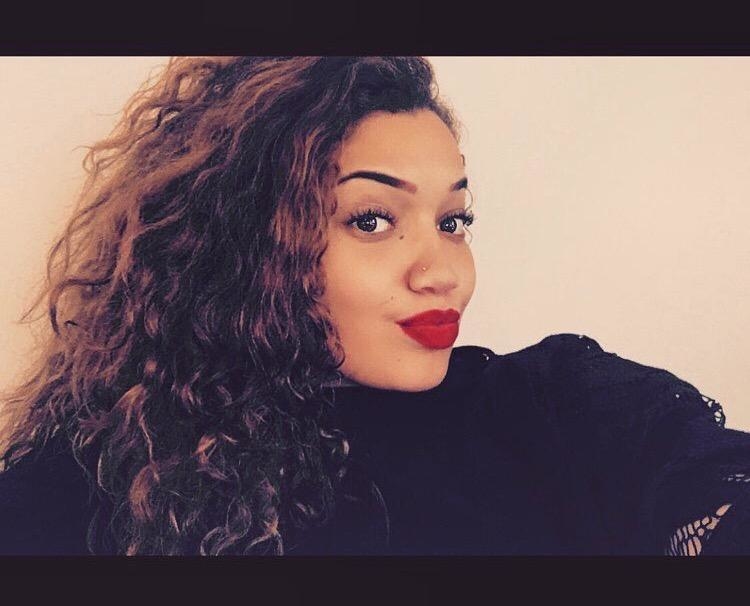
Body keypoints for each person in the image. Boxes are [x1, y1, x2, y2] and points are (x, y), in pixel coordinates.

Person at [1, 56, 749, 556]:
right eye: (371, 220)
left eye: (452, 221)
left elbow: (702, 485)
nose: (443, 273)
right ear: (244, 246)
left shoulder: (555, 407)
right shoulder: (94, 485)